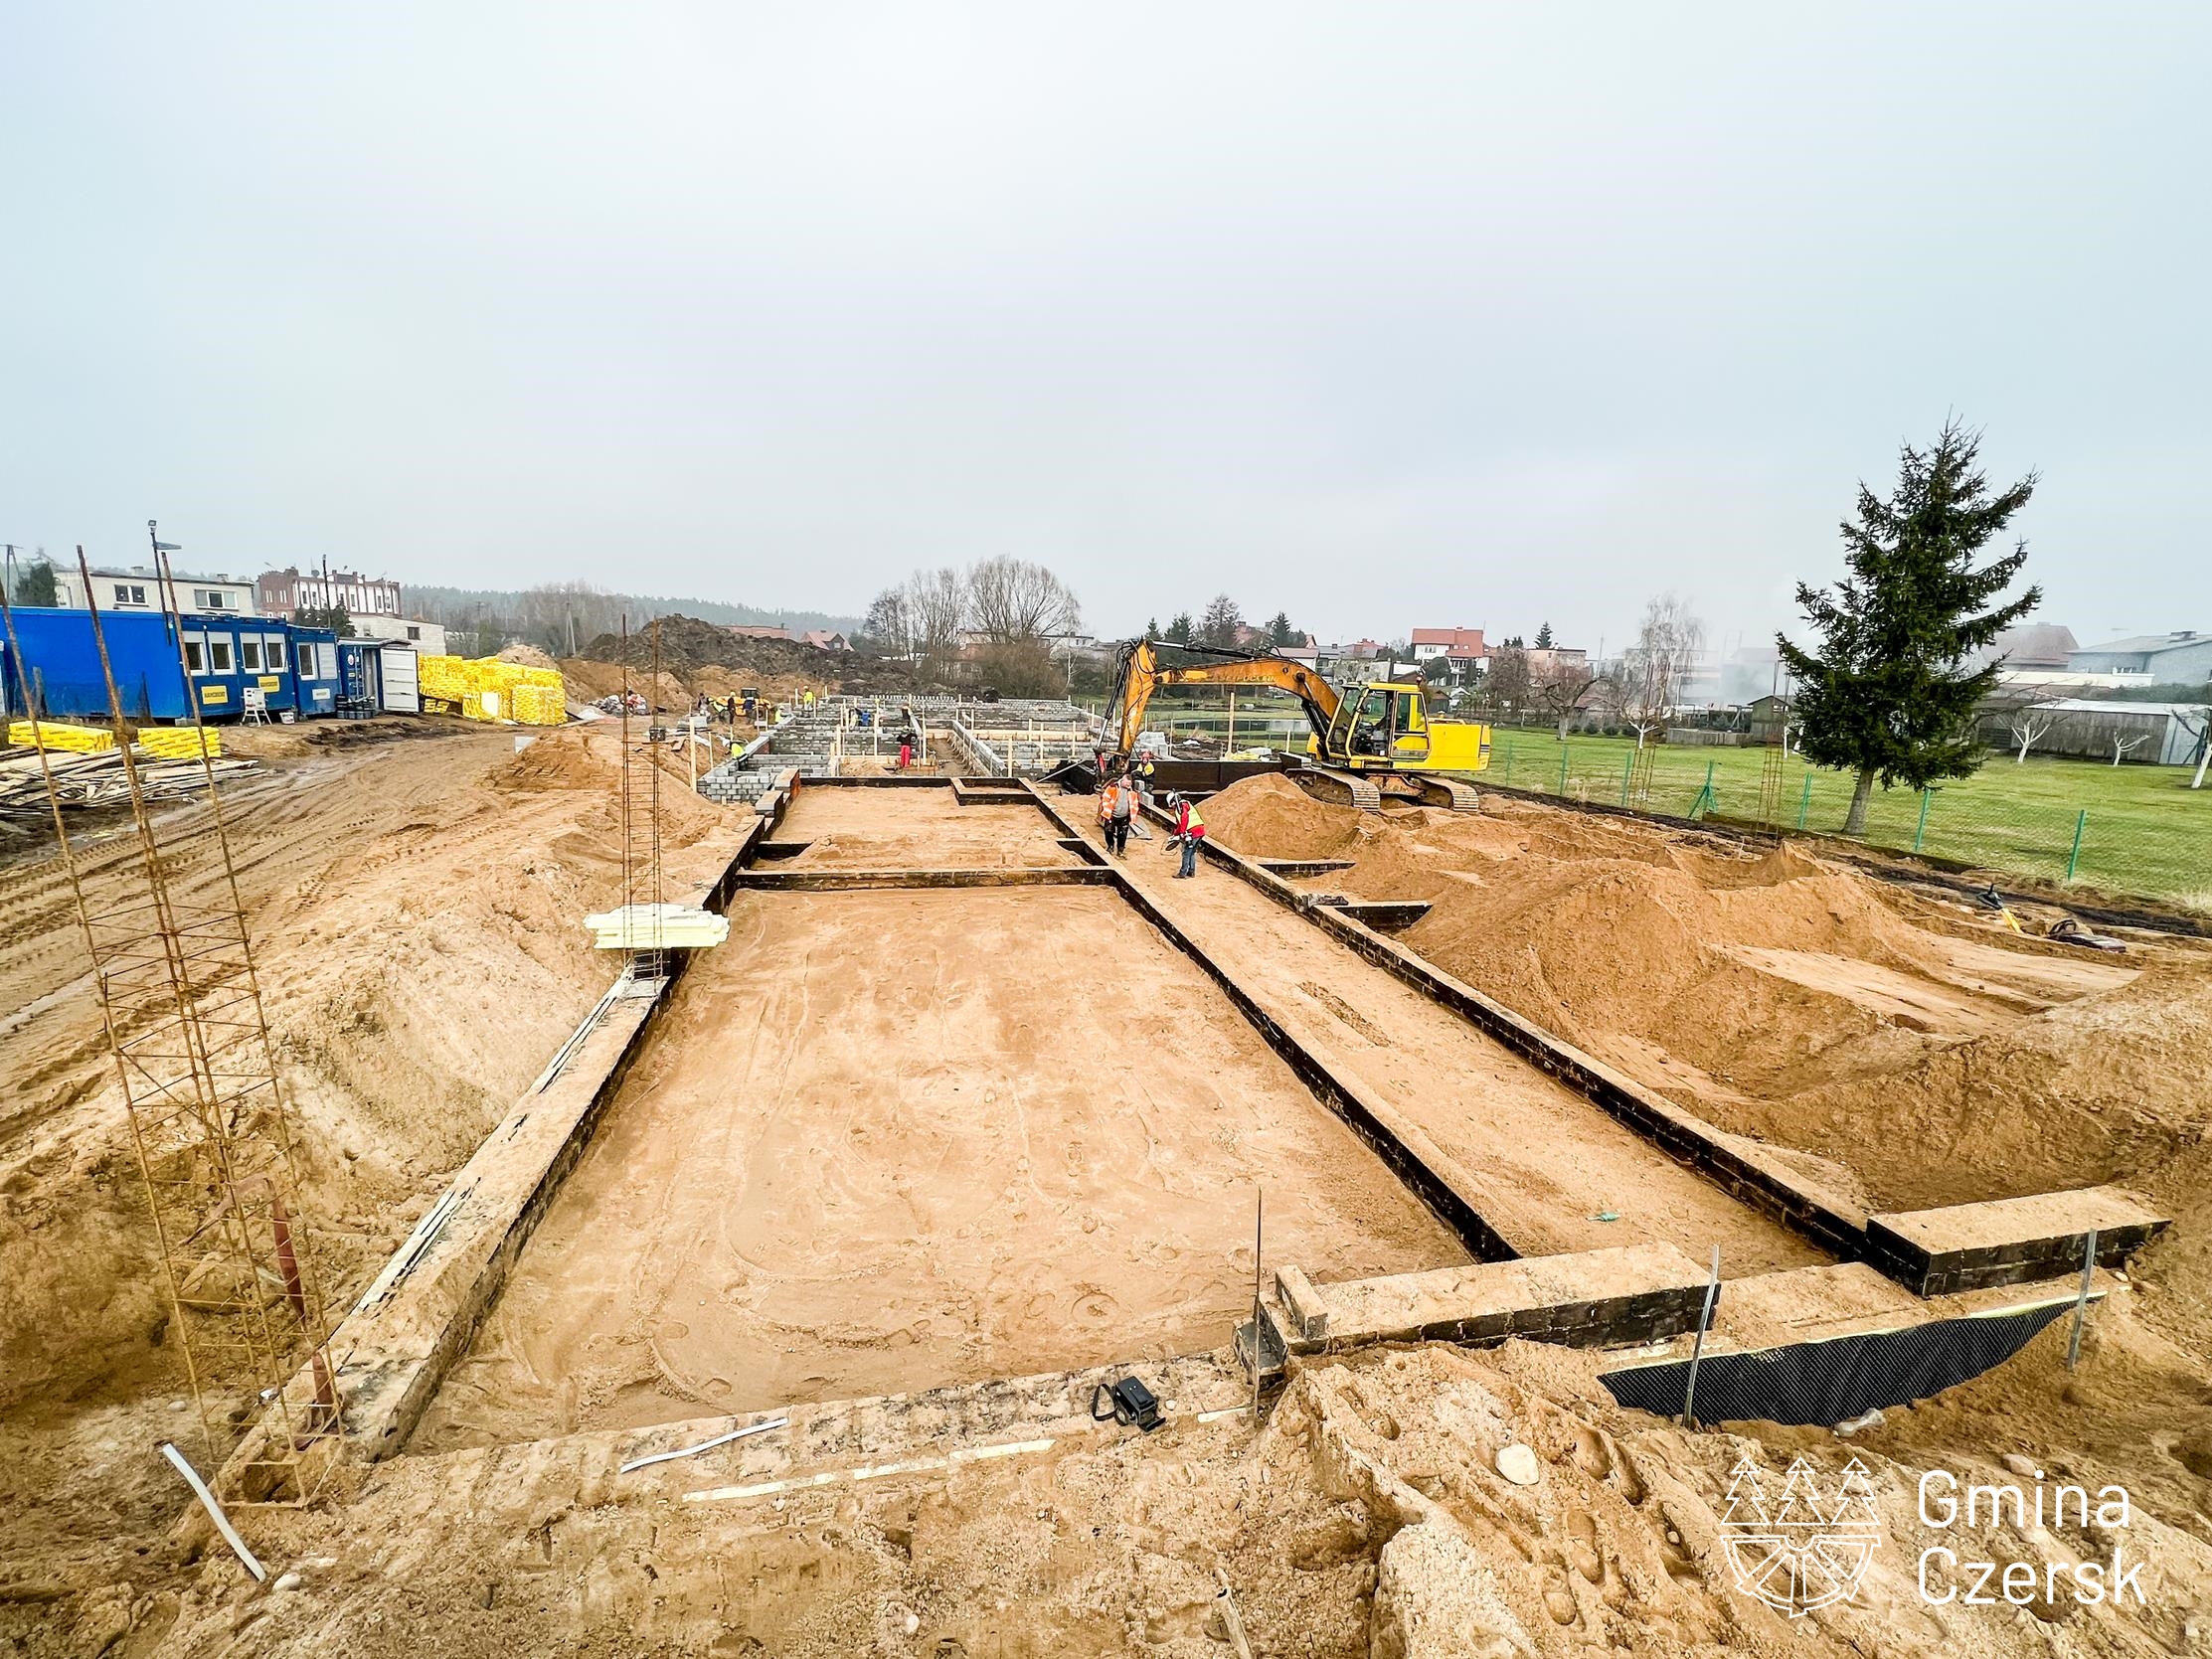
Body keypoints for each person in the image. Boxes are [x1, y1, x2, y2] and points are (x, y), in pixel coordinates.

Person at [1172, 792, 1206, 878]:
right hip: (1200, 830)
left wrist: (1182, 833)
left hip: (1193, 832)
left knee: (1186, 853)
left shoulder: (1181, 807)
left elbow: (1184, 818)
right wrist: (1175, 834)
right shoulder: (1187, 805)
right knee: (1192, 852)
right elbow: (1180, 825)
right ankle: (1191, 871)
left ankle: (1182, 873)